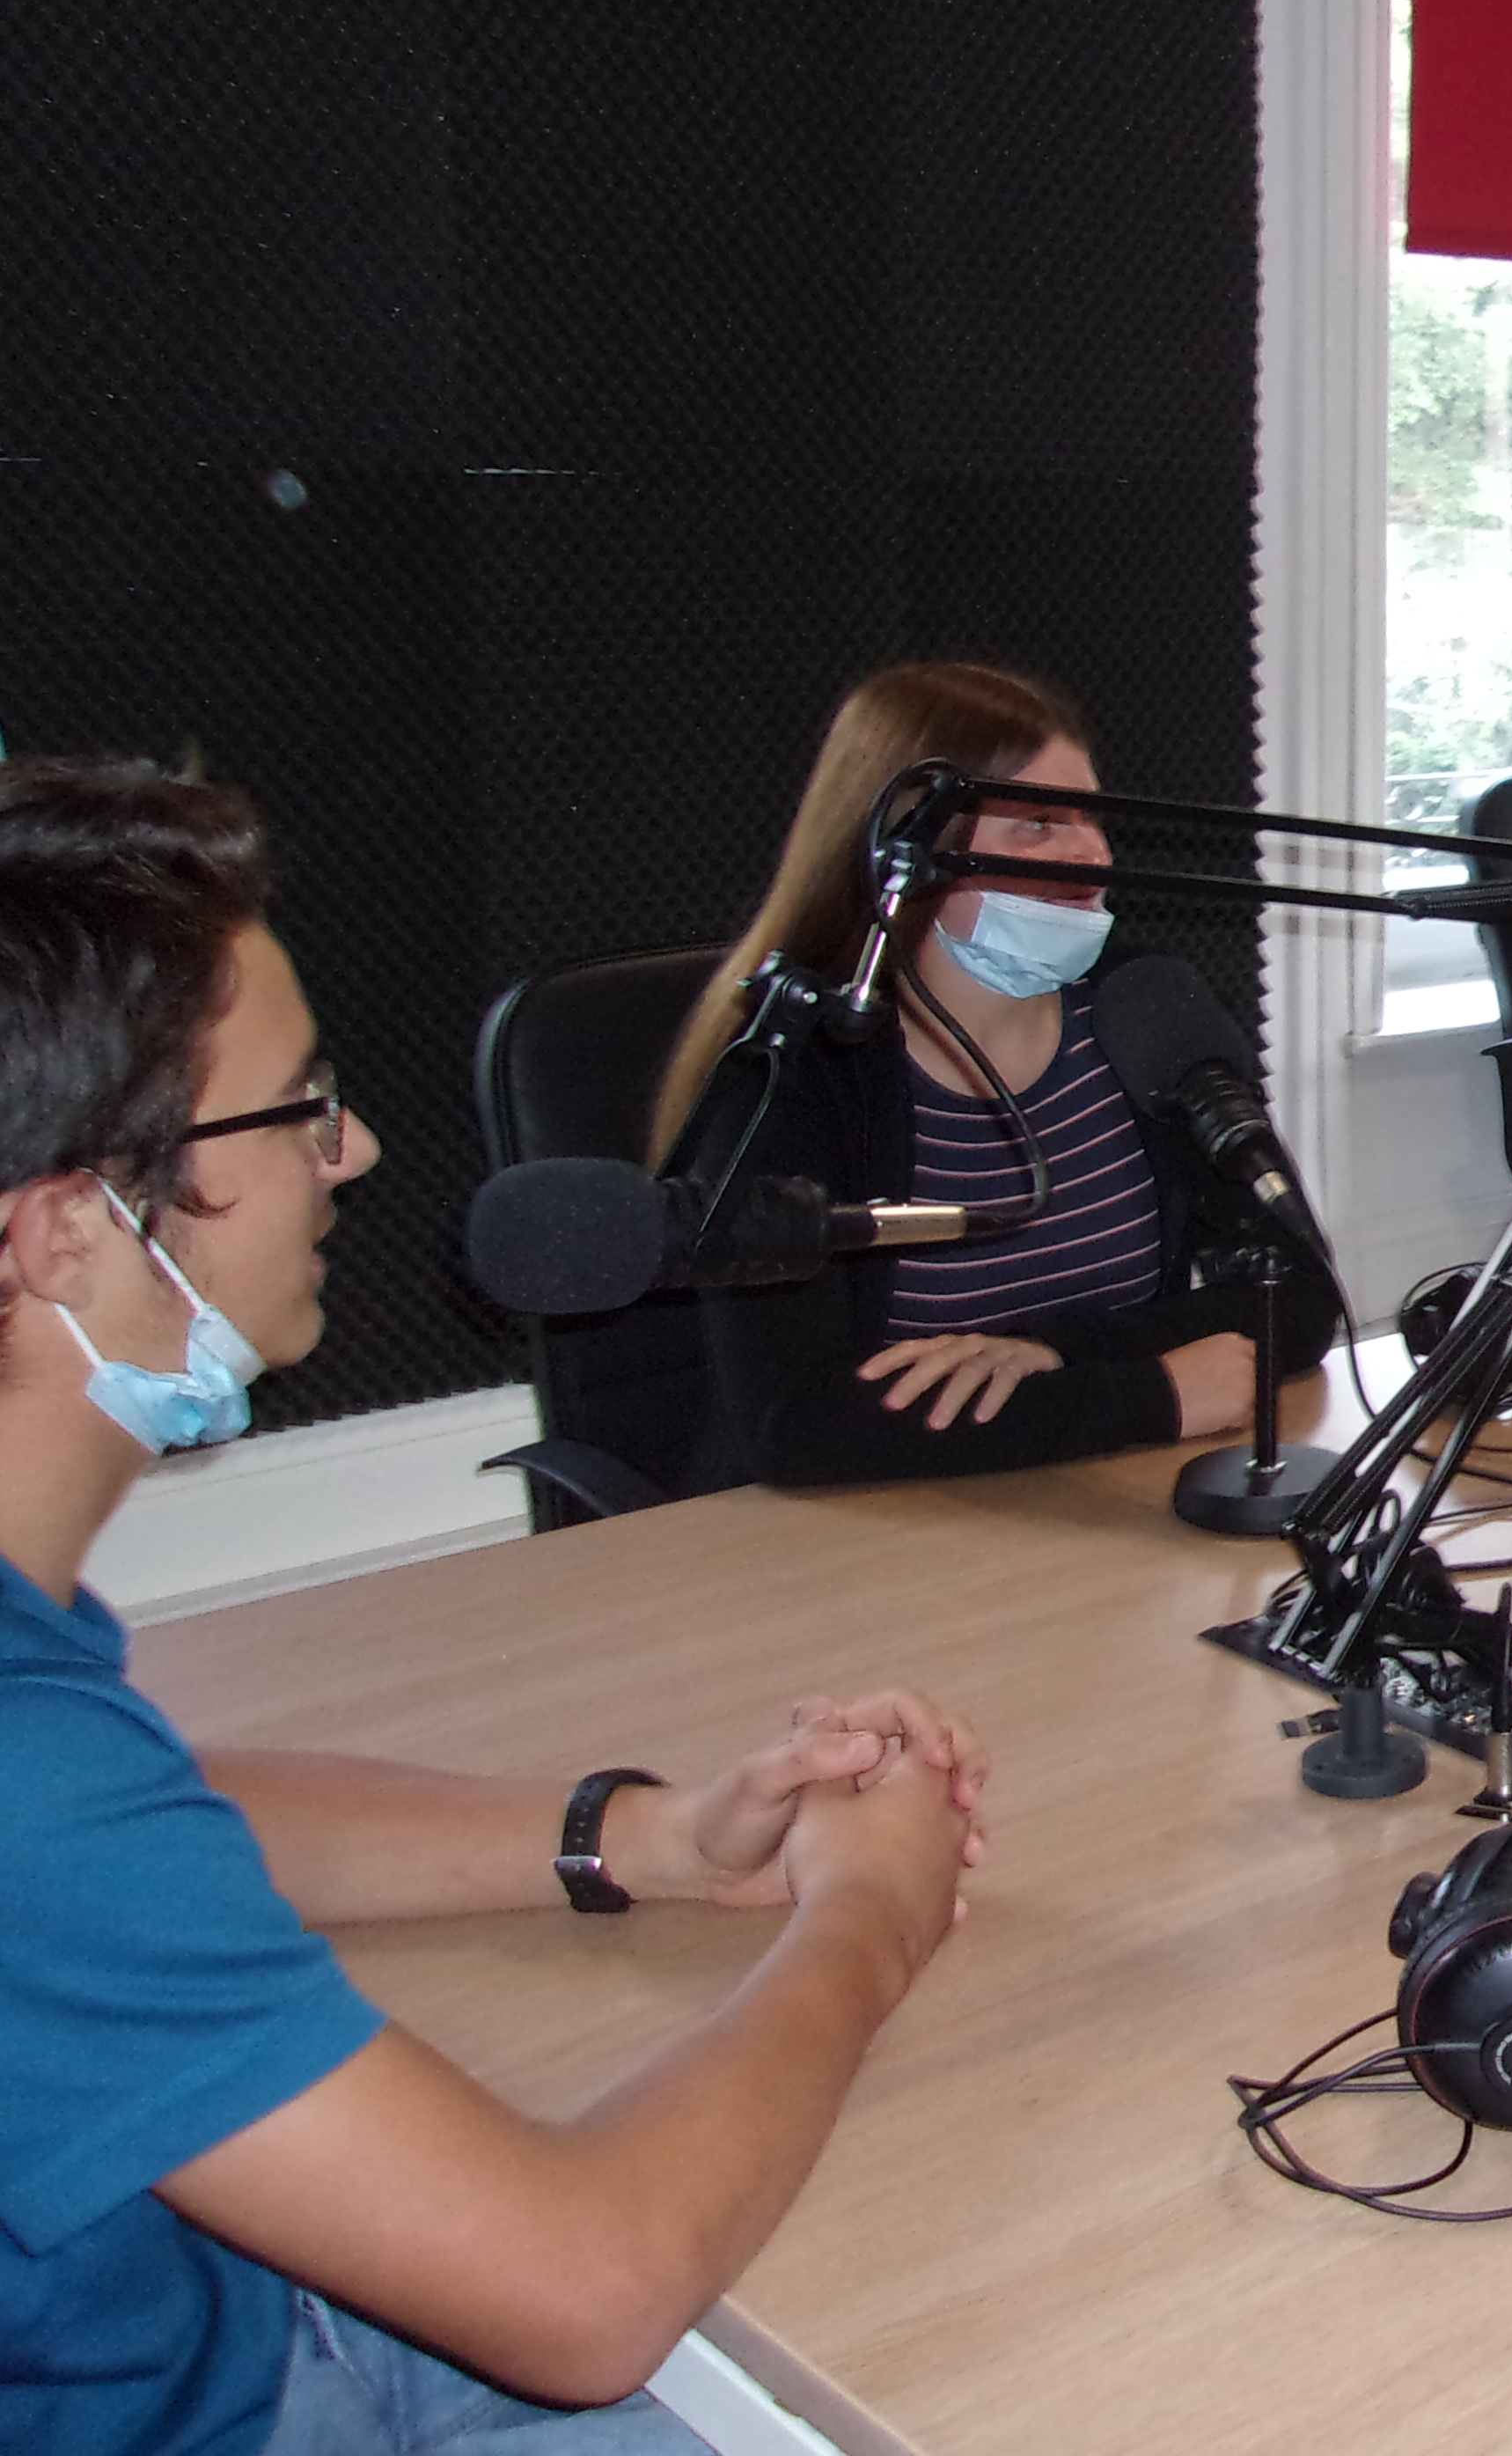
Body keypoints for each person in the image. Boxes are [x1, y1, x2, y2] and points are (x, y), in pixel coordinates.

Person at [0, 757, 988, 2453]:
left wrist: (653, 1835)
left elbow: (161, 1815)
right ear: (64, 1231)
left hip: (228, 2307)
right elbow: (582, 2298)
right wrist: (866, 1919)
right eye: (297, 1110)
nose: (354, 1150)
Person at [648, 661, 1341, 1491]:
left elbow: (1297, 1296)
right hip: (868, 1527)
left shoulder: (1141, 1009)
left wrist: (1050, 1352)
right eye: (1039, 824)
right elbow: (798, 1426)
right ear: (910, 854)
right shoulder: (799, 1072)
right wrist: (1147, 1394)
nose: (1092, 852)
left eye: (1088, 816)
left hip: (1095, 1491)